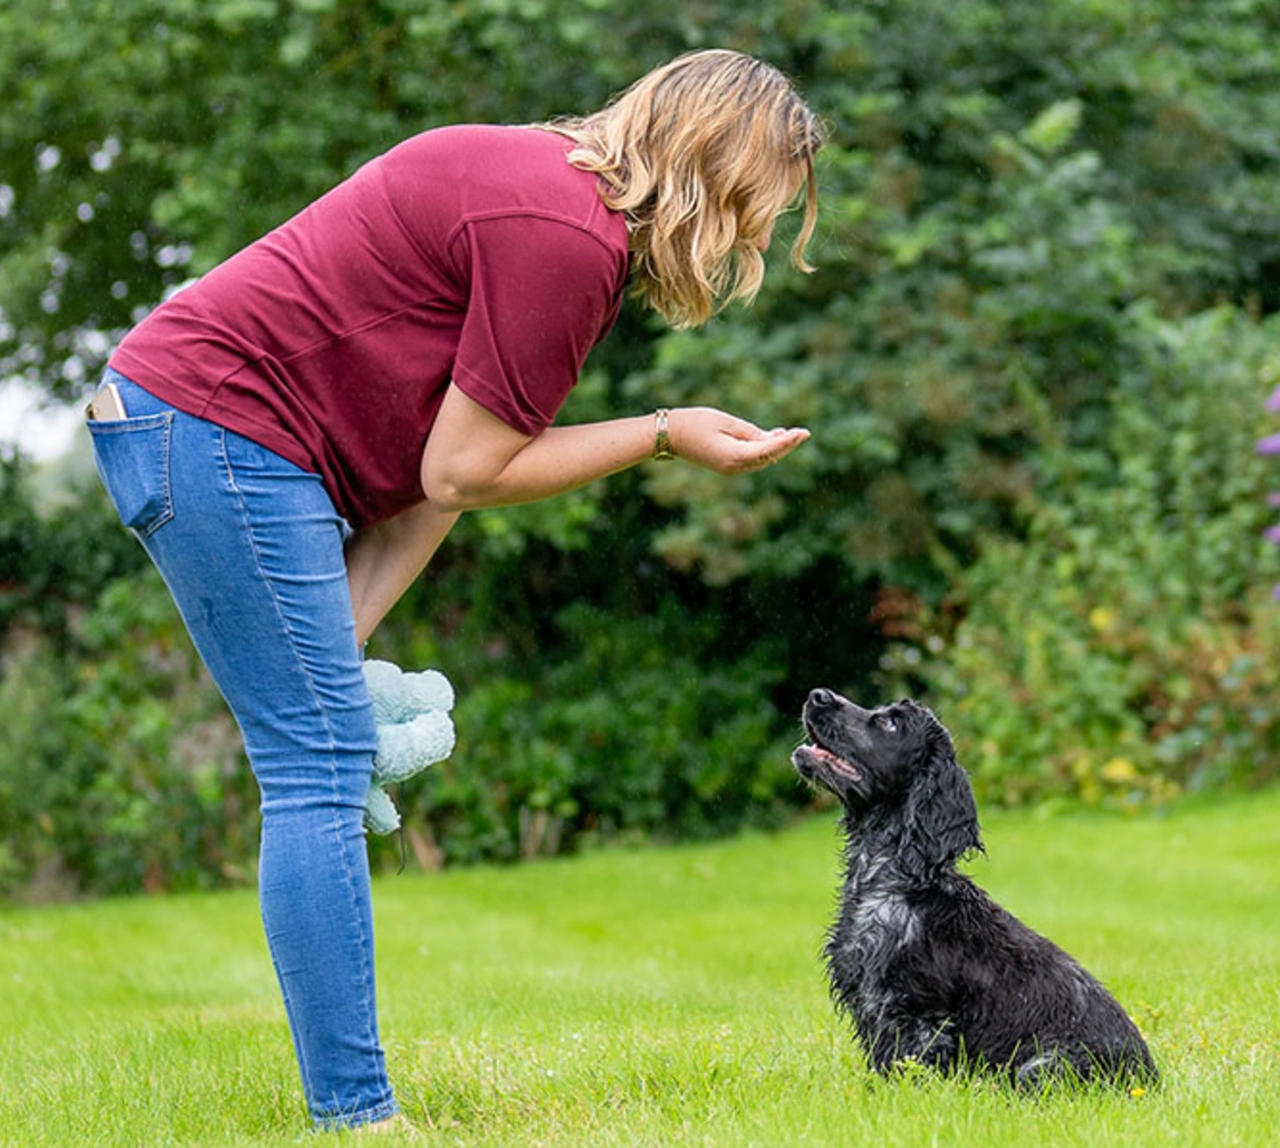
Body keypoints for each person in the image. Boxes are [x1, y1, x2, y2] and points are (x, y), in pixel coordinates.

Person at [84, 49, 825, 1132]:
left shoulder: (556, 209)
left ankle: (353, 1105)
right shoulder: (566, 236)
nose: (758, 242)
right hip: (213, 424)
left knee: (322, 745)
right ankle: (356, 1115)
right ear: (716, 165)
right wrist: (664, 432)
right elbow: (464, 471)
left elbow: (440, 479)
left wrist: (340, 648)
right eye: (764, 209)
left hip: (198, 426)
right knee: (318, 766)